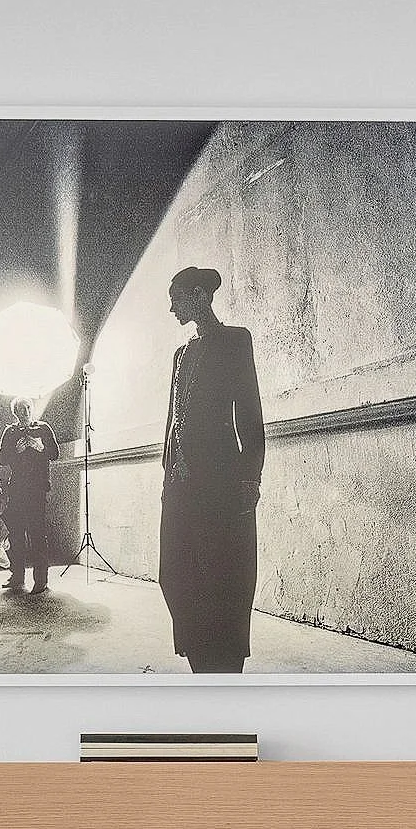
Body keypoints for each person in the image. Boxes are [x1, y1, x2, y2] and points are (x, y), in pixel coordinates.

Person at [158, 265, 265, 672]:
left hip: (222, 478)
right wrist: (167, 474)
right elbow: (171, 421)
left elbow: (250, 415)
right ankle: (199, 653)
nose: (171, 308)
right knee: (174, 572)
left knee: (226, 573)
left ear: (200, 296)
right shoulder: (180, 353)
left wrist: (251, 476)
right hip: (178, 485)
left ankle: (225, 665)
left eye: (176, 297)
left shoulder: (235, 341)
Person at [0, 397, 61, 593]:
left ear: (32, 410)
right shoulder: (10, 431)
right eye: (20, 408)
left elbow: (55, 454)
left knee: (37, 534)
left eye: (28, 407)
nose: (25, 411)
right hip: (17, 490)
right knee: (16, 534)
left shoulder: (43, 428)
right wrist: (17, 451)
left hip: (37, 490)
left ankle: (41, 580)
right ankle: (17, 576)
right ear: (14, 412)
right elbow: (2, 459)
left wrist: (39, 447)